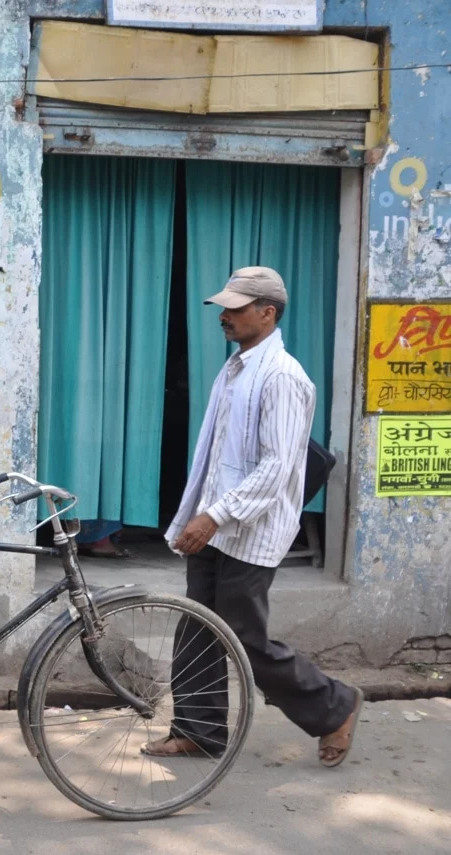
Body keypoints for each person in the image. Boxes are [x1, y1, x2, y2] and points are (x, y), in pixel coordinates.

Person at [144, 266, 362, 768]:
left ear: (267, 313)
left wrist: (215, 516)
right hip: (214, 524)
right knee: (197, 627)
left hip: (251, 530)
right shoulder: (235, 367)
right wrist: (191, 517)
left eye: (236, 308)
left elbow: (277, 466)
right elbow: (212, 453)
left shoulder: (283, 376)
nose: (225, 316)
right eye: (224, 307)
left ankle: (334, 706)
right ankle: (199, 730)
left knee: (243, 638)